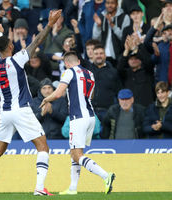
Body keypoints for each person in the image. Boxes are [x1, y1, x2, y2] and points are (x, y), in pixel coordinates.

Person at [0, 10, 62, 196]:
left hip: (5, 112)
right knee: (43, 146)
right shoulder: (16, 60)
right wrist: (50, 24)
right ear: (10, 46)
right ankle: (40, 188)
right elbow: (37, 42)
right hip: (21, 110)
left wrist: (0, 32)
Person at [40, 51, 115, 195]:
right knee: (76, 153)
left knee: (76, 155)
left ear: (67, 63)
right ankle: (73, 188)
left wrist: (46, 100)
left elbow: (58, 93)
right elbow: (91, 95)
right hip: (91, 116)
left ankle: (106, 176)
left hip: (78, 118)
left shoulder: (68, 72)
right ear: (79, 61)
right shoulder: (90, 74)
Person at [92, 0, 130, 66]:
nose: (110, 5)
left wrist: (112, 25)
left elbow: (124, 38)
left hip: (118, 57)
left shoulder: (124, 17)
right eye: (108, 3)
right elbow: (95, 38)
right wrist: (98, 26)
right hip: (103, 57)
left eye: (112, 3)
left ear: (117, 4)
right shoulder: (101, 16)